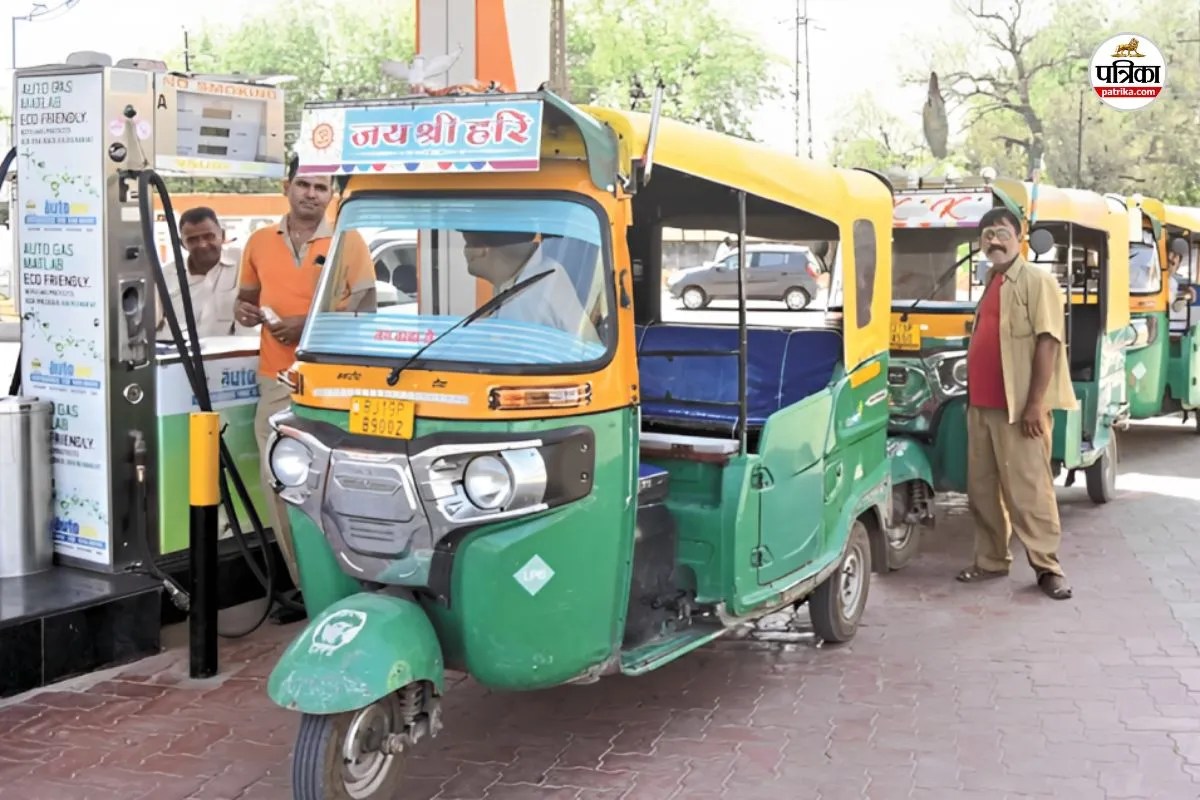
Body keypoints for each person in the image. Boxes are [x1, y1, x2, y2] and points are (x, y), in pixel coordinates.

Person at [235, 160, 376, 623]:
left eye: (320, 187)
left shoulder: (347, 241)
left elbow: (366, 311)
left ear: (332, 194)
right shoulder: (259, 241)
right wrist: (246, 313)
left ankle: (345, 580)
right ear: (286, 187)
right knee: (279, 484)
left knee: (329, 484)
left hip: (330, 382)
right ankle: (306, 586)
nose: (311, 194)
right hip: (275, 378)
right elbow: (245, 302)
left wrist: (307, 325)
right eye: (303, 184)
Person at [956, 207, 1077, 600]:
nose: (994, 241)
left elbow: (1048, 342)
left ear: (1020, 237)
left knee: (1029, 492)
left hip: (1019, 408)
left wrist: (1034, 405)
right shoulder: (992, 281)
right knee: (982, 491)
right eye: (987, 235)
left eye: (1002, 233)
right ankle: (991, 561)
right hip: (981, 407)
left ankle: (1048, 568)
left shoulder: (1037, 281)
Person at [460, 230, 600, 344]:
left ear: (483, 250)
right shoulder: (546, 270)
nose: (464, 250)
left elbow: (512, 364)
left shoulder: (524, 302)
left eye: (468, 243)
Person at [156, 206, 253, 340]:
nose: (202, 244)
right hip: (179, 350)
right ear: (182, 244)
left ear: (222, 235)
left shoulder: (245, 263)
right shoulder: (166, 276)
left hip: (232, 350)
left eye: (209, 236)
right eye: (193, 239)